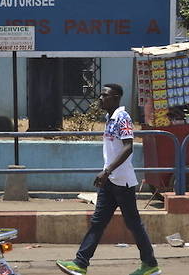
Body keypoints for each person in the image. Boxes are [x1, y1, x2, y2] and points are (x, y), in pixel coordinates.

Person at [56, 84, 161, 275]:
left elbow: (128, 147)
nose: (100, 99)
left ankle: (150, 264)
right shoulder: (109, 118)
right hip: (110, 181)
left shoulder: (122, 117)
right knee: (98, 222)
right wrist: (107, 173)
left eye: (104, 95)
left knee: (133, 224)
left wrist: (107, 171)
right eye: (101, 95)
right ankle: (81, 263)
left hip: (122, 181)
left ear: (115, 97)